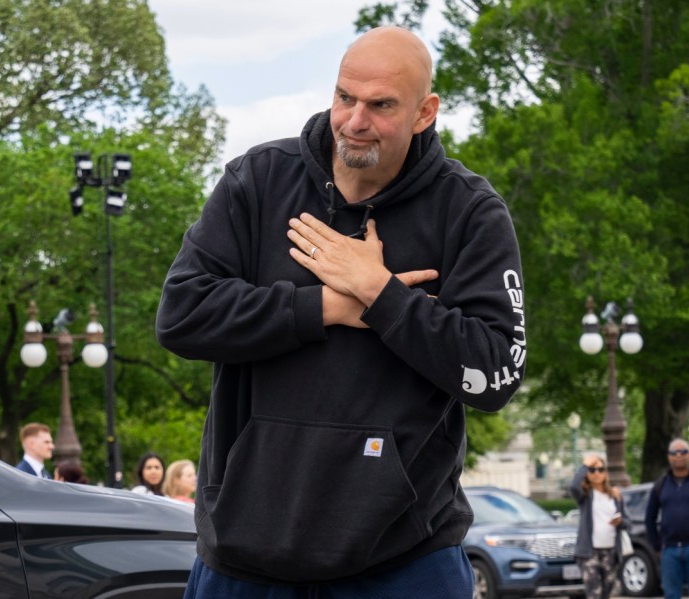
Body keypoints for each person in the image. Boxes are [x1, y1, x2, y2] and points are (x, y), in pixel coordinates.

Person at [155, 25, 525, 598]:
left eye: (381, 106)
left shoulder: (470, 212)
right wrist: (323, 306)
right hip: (244, 558)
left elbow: (496, 372)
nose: (355, 120)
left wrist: (382, 296)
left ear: (425, 112)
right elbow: (181, 313)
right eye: (344, 97)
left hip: (406, 561)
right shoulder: (257, 180)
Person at [645, 438, 689, 599]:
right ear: (669, 457)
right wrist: (656, 545)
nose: (679, 455)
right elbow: (650, 518)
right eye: (674, 452)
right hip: (669, 550)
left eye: (683, 452)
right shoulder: (660, 486)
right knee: (671, 595)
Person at [568, 455, 627, 599]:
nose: (597, 473)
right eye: (592, 470)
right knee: (594, 594)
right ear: (587, 474)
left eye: (600, 469)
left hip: (611, 552)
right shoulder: (585, 496)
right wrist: (585, 464)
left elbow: (628, 522)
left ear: (606, 473)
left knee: (606, 594)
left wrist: (620, 521)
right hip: (589, 553)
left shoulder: (615, 496)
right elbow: (574, 486)